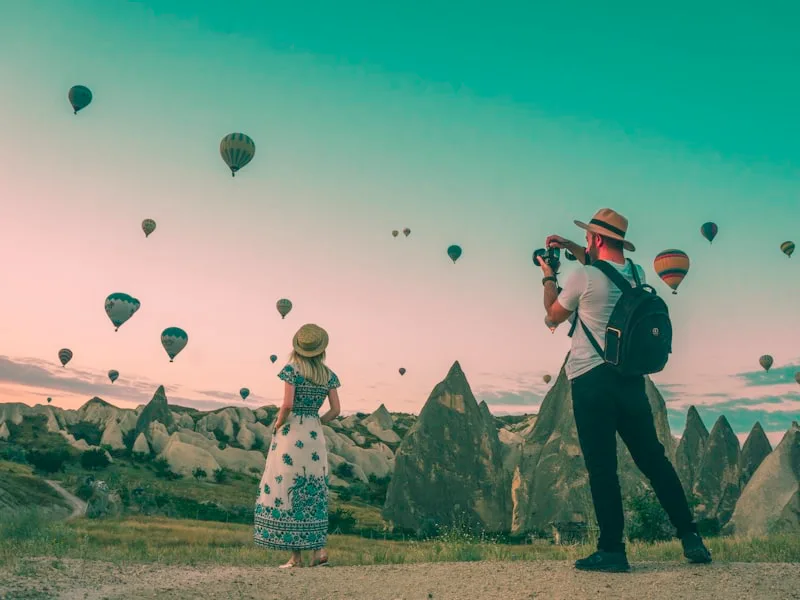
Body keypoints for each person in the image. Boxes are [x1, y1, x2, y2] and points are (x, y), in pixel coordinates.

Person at [534, 208, 712, 573]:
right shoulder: (636, 274)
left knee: (602, 468)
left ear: (597, 239)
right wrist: (570, 245)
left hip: (590, 381)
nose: (584, 243)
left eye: (587, 238)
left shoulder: (581, 277)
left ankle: (613, 550)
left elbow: (553, 315)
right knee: (654, 460)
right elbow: (604, 268)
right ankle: (690, 536)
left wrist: (548, 276)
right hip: (631, 381)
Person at [254, 323, 341, 568]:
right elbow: (336, 410)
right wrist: (317, 421)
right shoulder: (329, 375)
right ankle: (319, 551)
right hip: (314, 435)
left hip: (292, 434)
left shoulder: (292, 370)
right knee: (315, 488)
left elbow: (287, 404)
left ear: (298, 348)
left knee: (289, 486)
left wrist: (277, 425)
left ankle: (296, 558)